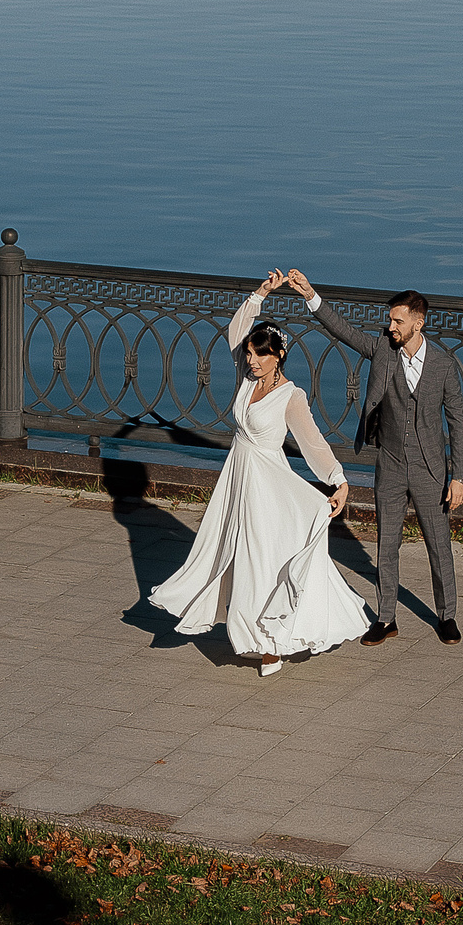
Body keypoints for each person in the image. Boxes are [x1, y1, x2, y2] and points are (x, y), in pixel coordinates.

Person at [146, 271, 372, 675]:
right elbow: (236, 330)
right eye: (249, 354)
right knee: (223, 550)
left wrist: (338, 479)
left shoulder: (291, 396)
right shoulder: (246, 378)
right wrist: (260, 294)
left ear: (278, 356)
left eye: (259, 355)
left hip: (270, 484)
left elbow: (312, 442)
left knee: (262, 558)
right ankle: (237, 626)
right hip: (238, 477)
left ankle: (270, 644)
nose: (251, 360)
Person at [283, 270, 463, 646]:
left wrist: (459, 476)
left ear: (420, 322)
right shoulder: (383, 348)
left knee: (438, 545)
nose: (391, 326)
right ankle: (386, 618)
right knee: (387, 543)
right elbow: (344, 332)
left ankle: (447, 615)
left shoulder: (445, 366)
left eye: (398, 321)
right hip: (391, 465)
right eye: (390, 320)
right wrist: (310, 295)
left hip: (432, 469)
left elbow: (458, 424)